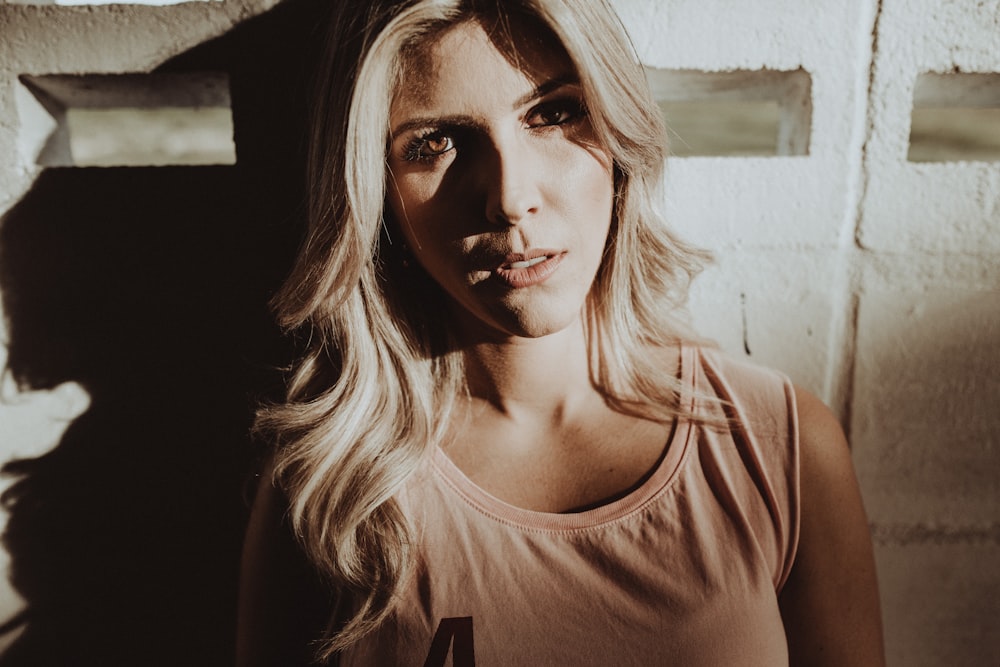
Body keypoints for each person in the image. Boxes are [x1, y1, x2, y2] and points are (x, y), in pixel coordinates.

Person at [237, 0, 885, 664]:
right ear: (373, 190)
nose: (510, 197)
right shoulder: (328, 486)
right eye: (435, 142)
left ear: (618, 128)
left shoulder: (779, 445)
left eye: (551, 113)